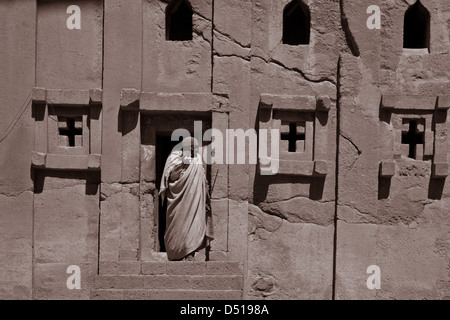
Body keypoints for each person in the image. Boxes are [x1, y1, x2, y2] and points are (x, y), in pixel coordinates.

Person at [159, 136, 214, 261]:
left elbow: (202, 179)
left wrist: (206, 198)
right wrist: (183, 164)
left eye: (196, 148)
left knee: (195, 225)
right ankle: (176, 253)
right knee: (178, 226)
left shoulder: (198, 159)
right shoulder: (174, 158)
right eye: (191, 148)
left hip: (196, 200)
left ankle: (190, 254)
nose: (194, 150)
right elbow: (170, 178)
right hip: (179, 202)